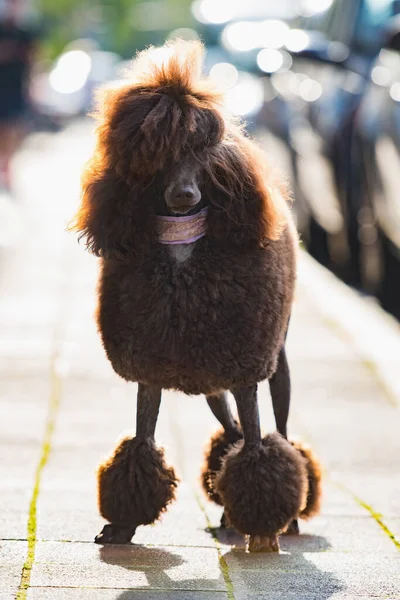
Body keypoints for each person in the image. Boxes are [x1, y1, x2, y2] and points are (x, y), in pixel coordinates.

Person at [0, 0, 36, 190]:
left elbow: (32, 60)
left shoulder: (25, 33)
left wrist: (33, 87)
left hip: (17, 88)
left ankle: (6, 165)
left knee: (15, 130)